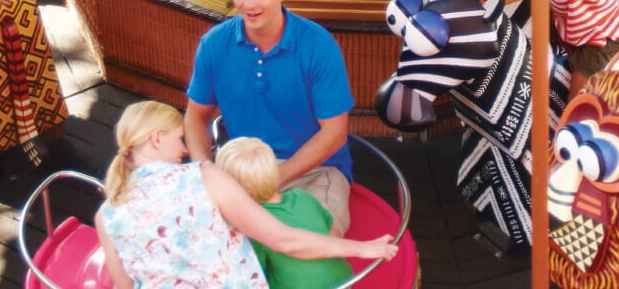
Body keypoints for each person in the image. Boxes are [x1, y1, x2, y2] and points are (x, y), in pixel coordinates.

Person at [98, 102, 396, 287]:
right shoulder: (202, 176)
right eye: (180, 139)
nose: (185, 150)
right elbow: (284, 239)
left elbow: (123, 285)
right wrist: (362, 248)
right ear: (155, 138)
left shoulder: (105, 215)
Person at [182, 0, 356, 236]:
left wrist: (273, 179)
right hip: (243, 167)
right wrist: (205, 170)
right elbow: (195, 117)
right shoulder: (213, 44)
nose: (250, 4)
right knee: (197, 240)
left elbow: (334, 133)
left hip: (314, 171)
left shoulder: (318, 46)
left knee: (311, 247)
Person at [216, 138, 355, 288]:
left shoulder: (250, 225)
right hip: (344, 282)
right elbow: (332, 234)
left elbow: (253, 275)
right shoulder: (303, 197)